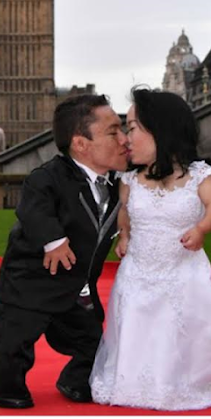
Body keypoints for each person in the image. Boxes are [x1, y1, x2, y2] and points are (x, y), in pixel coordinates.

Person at [0, 94, 128, 409]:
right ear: (81, 144)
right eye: (114, 131)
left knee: (94, 341)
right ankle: (6, 388)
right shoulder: (47, 177)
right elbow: (34, 208)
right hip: (30, 284)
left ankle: (75, 380)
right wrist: (53, 240)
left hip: (77, 287)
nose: (124, 140)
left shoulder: (120, 181)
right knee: (12, 343)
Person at [89, 88, 211, 410]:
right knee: (137, 325)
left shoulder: (200, 176)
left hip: (184, 275)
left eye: (131, 127)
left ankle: (181, 381)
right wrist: (125, 235)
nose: (125, 138)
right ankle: (133, 381)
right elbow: (126, 212)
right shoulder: (129, 180)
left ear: (160, 129)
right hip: (139, 274)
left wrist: (200, 228)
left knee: (177, 329)